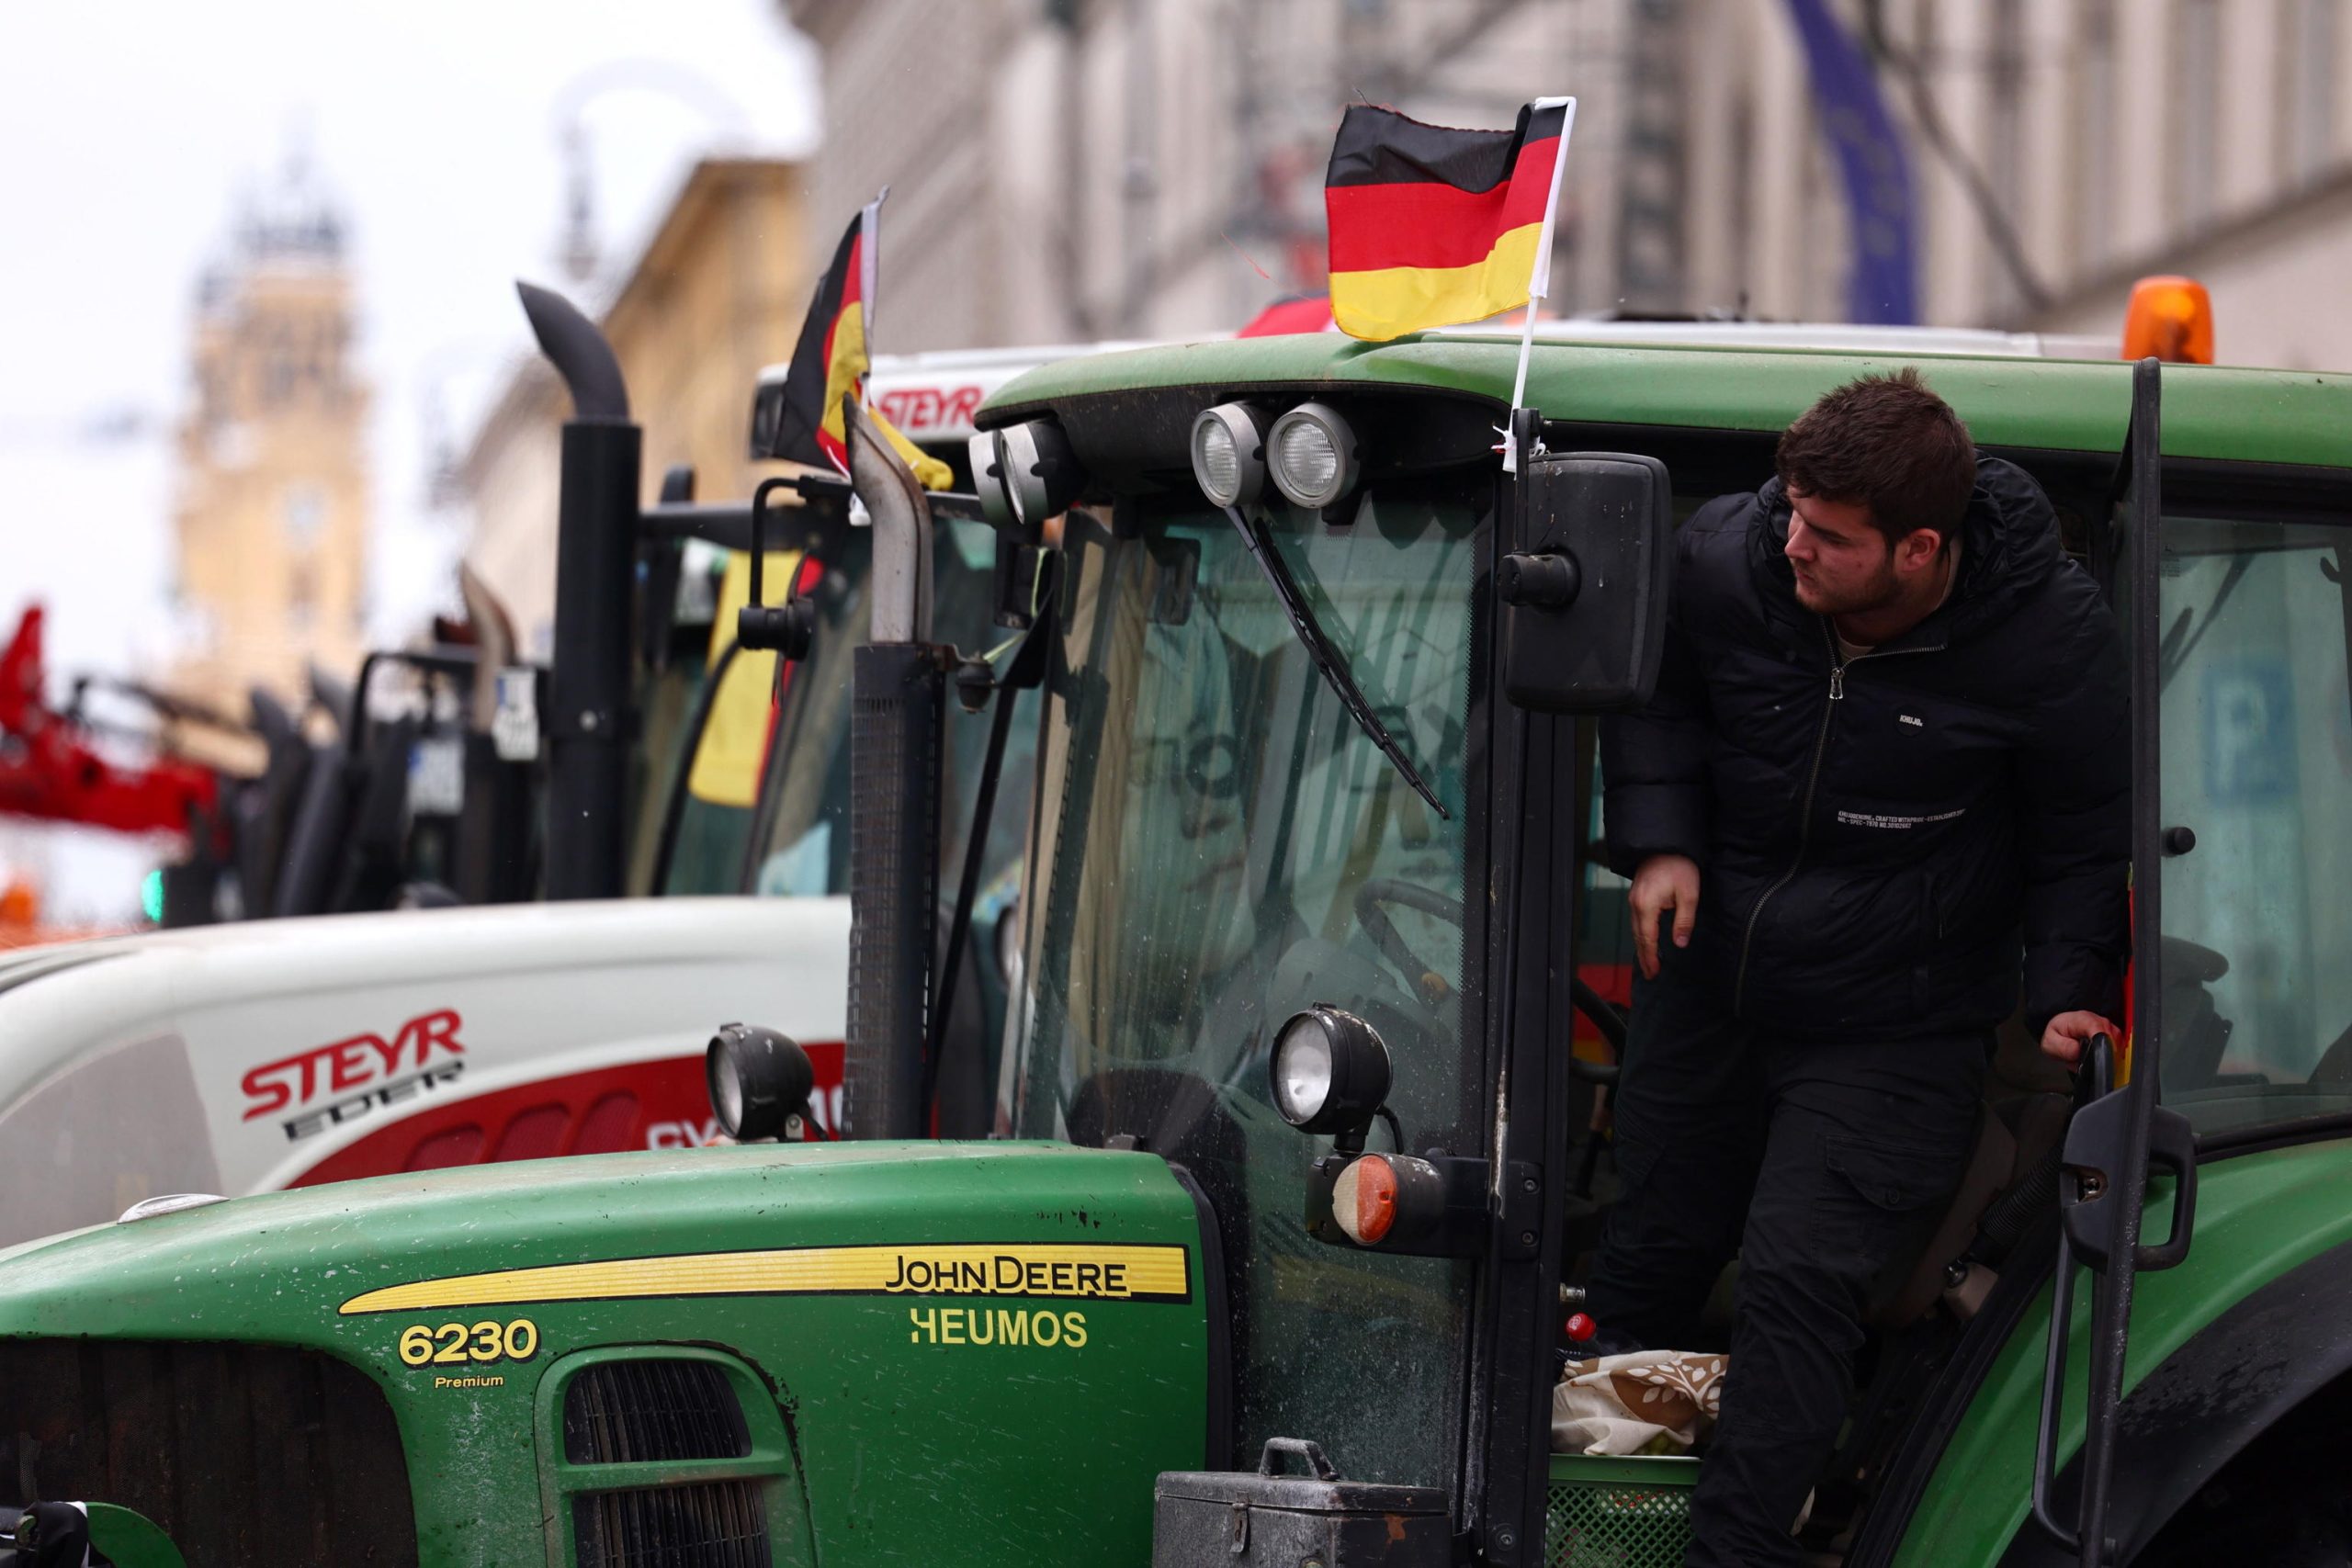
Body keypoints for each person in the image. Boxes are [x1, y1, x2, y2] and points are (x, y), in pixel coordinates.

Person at [1586, 368, 2129, 1566]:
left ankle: (1737, 1555)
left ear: (1919, 550)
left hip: (1898, 1016)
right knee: (1646, 1252)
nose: (1793, 547)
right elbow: (1653, 691)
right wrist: (1662, 842)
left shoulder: (2049, 638)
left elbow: (2083, 828)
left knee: (1795, 1282)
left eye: (1827, 537)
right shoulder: (1729, 560)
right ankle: (1599, 1524)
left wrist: (2071, 989)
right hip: (1714, 980)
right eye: (1788, 512)